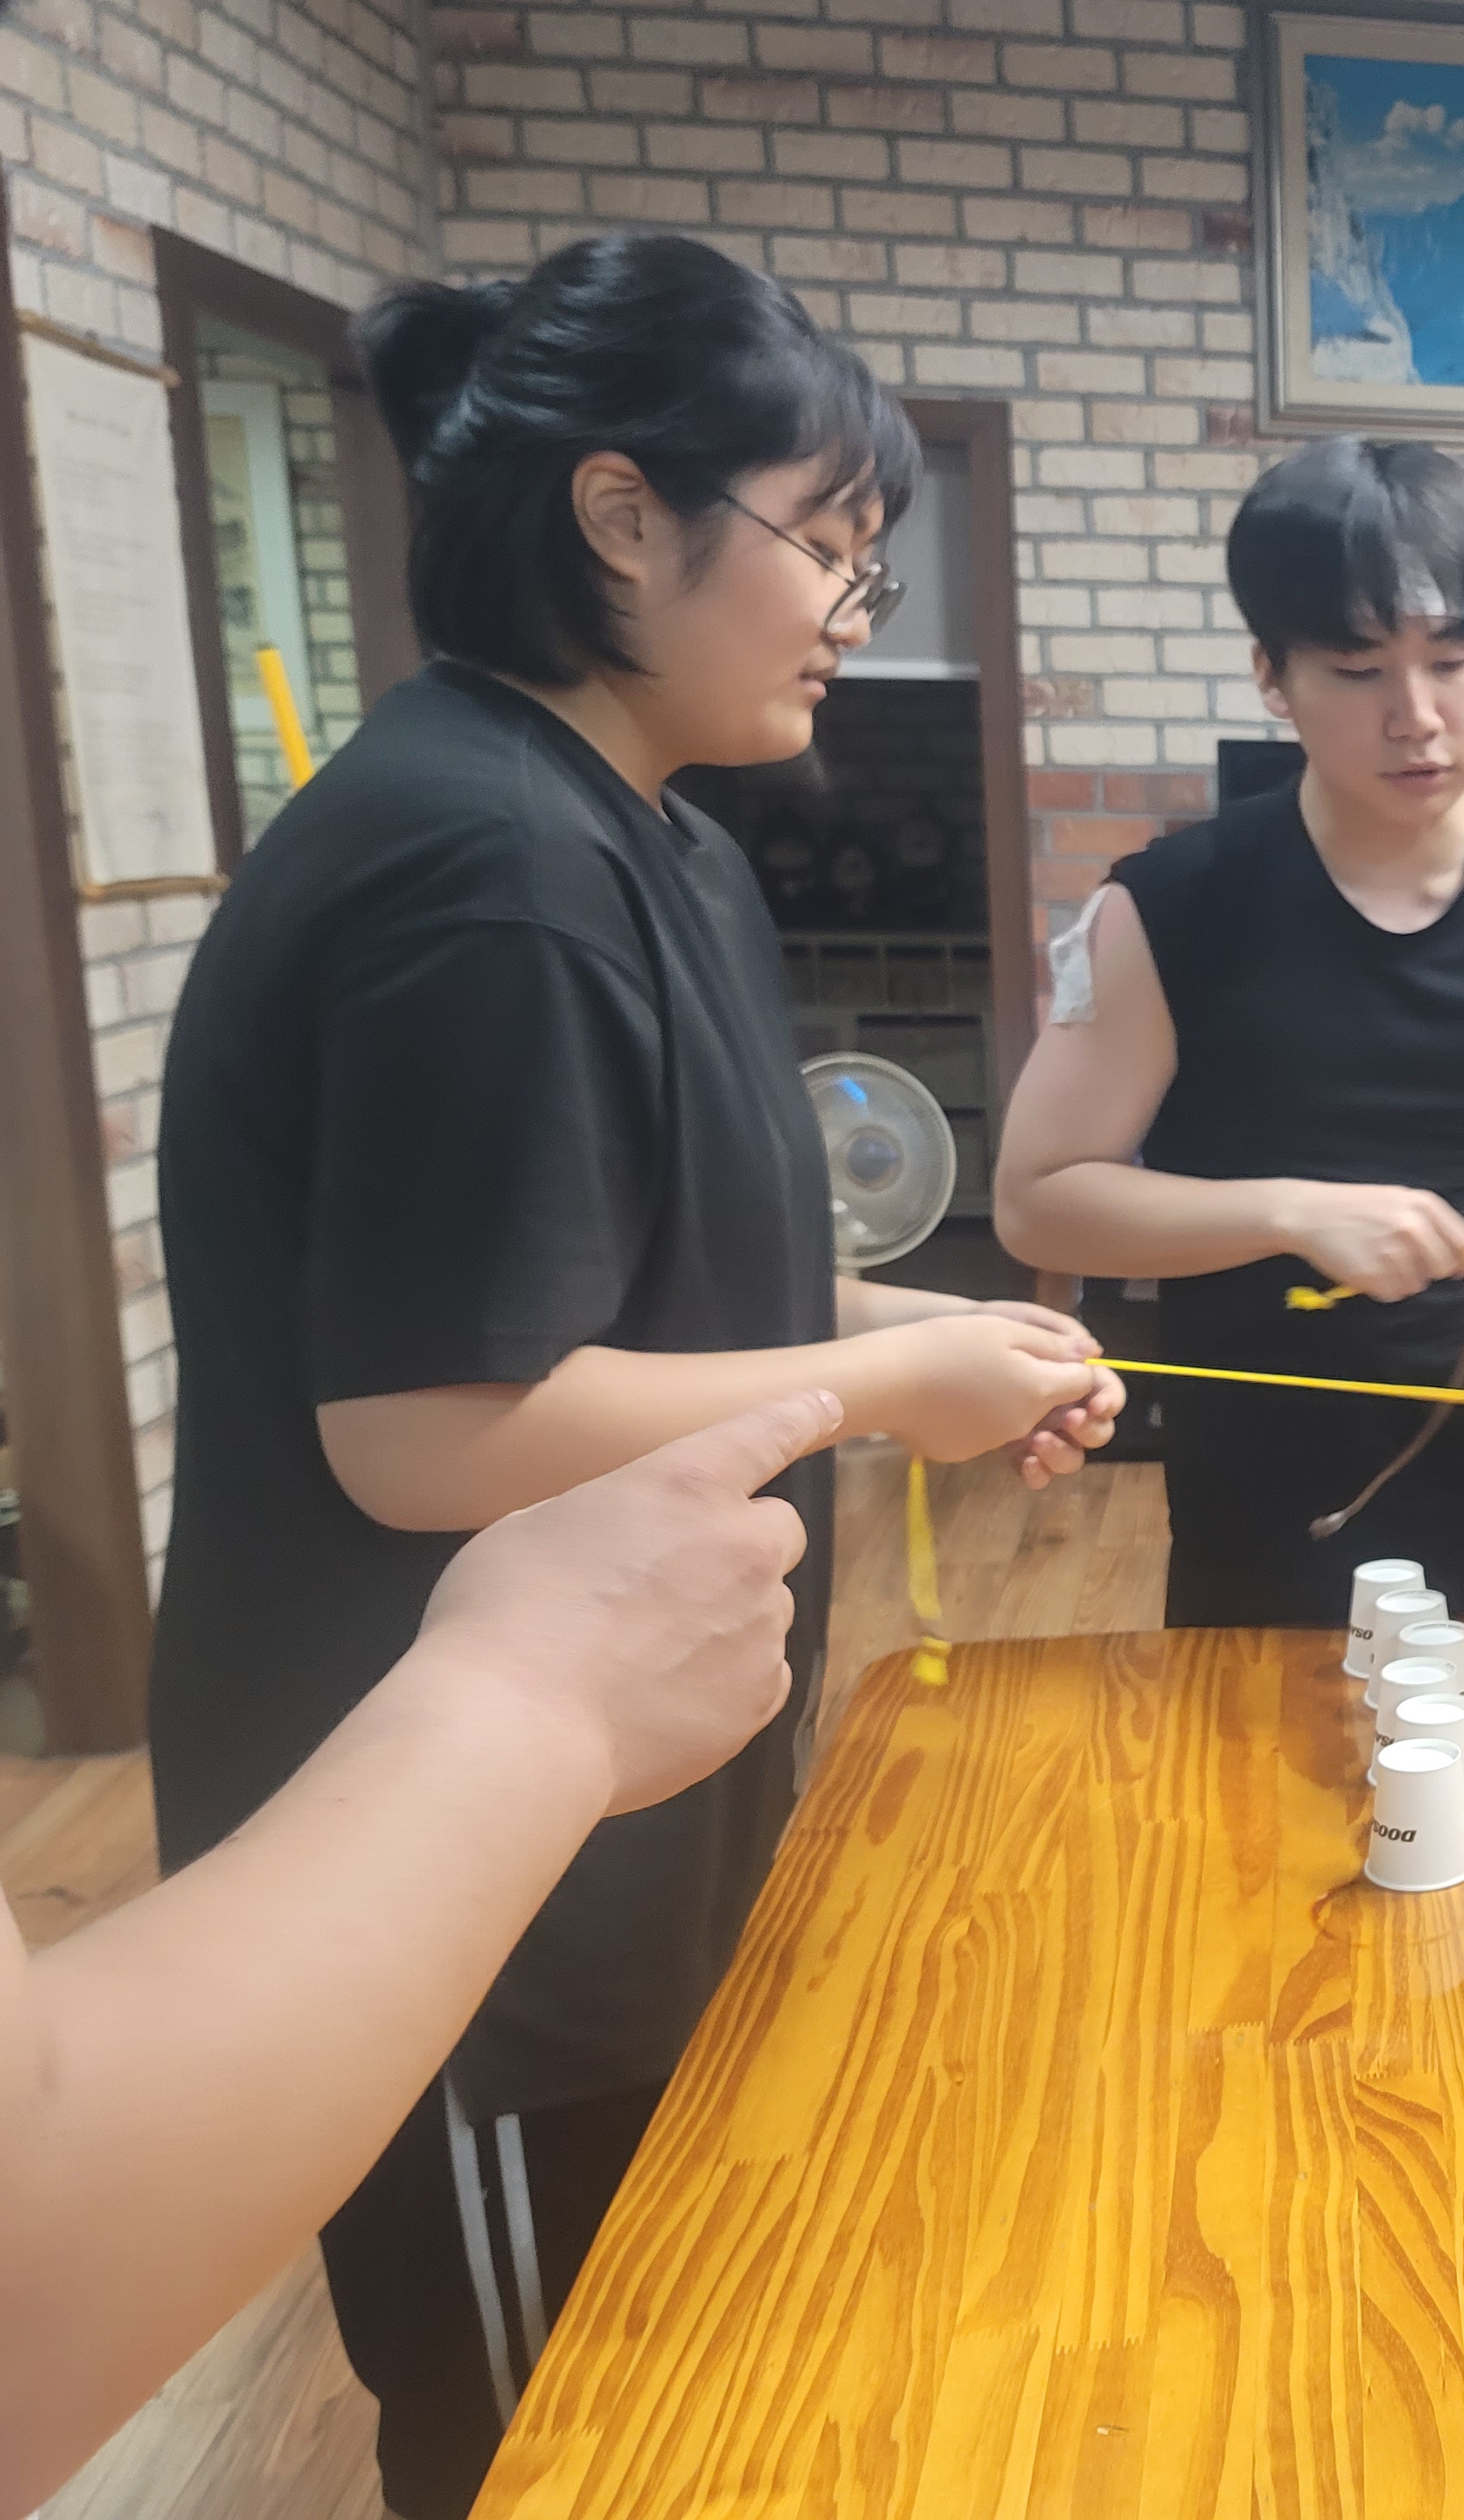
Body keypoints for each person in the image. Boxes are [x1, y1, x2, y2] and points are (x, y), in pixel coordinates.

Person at [151, 234, 1122, 2520]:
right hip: (448, 1877)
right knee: (546, 2439)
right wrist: (886, 1392)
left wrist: (937, 1340)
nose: (853, 609)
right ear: (619, 515)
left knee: (683, 2376)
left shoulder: (648, 839)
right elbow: (431, 1435)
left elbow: (672, 1286)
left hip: (604, 1792)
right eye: (828, 543)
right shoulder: (483, 870)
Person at [3, 1397, 841, 2516]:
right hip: (466, 1896)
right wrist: (544, 1696)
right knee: (556, 2433)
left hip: (515, 1837)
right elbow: (31, 2273)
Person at [992, 437, 1464, 1624]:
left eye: (1453, 661)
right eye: (1358, 670)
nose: (1416, 718)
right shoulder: (1167, 910)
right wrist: (1289, 1213)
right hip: (1269, 1515)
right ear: (1273, 677)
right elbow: (1038, 1200)